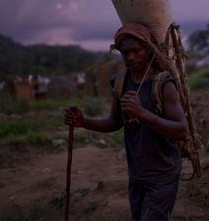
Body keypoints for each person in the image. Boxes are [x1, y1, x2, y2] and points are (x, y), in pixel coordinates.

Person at [64, 23, 188, 221]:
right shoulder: (121, 82)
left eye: (136, 51)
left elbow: (182, 130)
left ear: (148, 49)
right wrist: (83, 122)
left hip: (163, 174)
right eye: (125, 52)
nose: (131, 57)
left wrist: (143, 113)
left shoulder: (163, 84)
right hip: (137, 174)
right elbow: (115, 121)